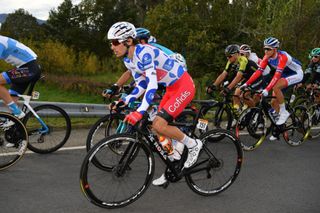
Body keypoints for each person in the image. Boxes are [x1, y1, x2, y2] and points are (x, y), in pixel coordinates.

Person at [107, 21, 202, 185]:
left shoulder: (145, 53)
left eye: (115, 42)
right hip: (170, 89)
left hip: (183, 85)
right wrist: (123, 100)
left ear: (128, 41)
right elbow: (142, 85)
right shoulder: (128, 61)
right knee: (154, 126)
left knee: (159, 124)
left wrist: (140, 111)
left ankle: (193, 144)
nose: (112, 47)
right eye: (111, 43)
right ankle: (175, 161)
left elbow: (152, 84)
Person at [102, 27, 187, 98]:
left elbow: (148, 78)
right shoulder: (138, 52)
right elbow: (130, 72)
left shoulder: (148, 50)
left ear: (142, 41)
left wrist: (130, 92)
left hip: (175, 74)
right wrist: (116, 86)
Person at [241, 37, 303, 128]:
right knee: (273, 102)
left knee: (276, 87)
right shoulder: (266, 57)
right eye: (264, 48)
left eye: (268, 49)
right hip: (285, 74)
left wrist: (267, 89)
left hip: (296, 73)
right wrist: (247, 83)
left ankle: (284, 112)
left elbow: (276, 76)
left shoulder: (282, 57)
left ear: (275, 49)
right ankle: (279, 127)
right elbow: (258, 71)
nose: (266, 51)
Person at [0, 35, 41, 128]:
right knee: (10, 98)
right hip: (25, 68)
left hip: (29, 68)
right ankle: (16, 137)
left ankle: (17, 112)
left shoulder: (0, 42)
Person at [207, 44, 258, 116]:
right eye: (227, 56)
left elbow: (238, 77)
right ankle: (238, 115)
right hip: (247, 77)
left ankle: (255, 113)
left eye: (230, 56)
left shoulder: (243, 60)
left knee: (244, 95)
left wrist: (228, 88)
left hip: (256, 77)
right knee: (235, 95)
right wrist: (213, 85)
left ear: (237, 54)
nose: (228, 58)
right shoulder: (230, 61)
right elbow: (223, 74)